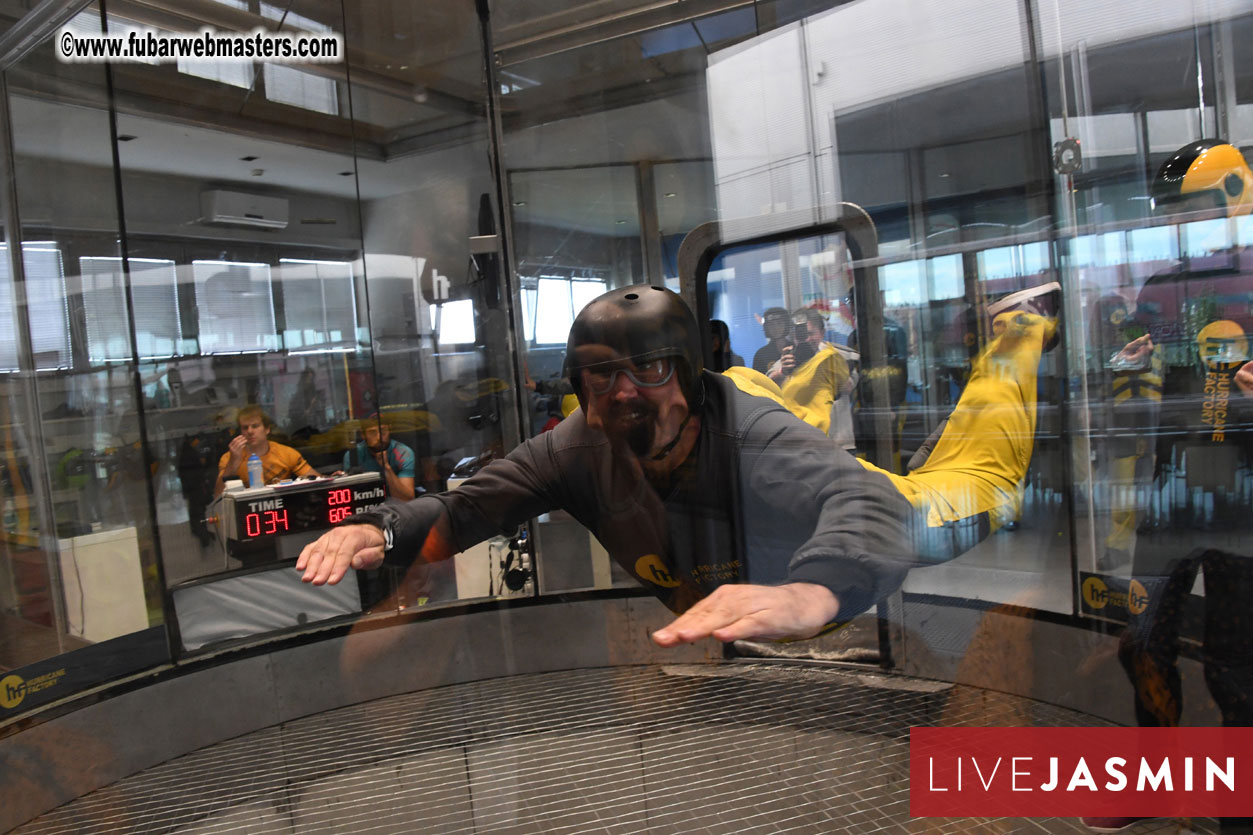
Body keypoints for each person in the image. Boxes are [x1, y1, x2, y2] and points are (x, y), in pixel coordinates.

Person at [296, 283, 1056, 646]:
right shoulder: (577, 446)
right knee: (775, 420)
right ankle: (805, 385)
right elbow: (470, 506)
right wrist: (381, 529)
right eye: (603, 377)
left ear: (689, 381)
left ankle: (1019, 328)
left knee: (989, 482)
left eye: (653, 370)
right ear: (580, 391)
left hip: (876, 502)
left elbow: (865, 507)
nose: (628, 396)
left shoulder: (752, 445)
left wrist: (813, 589)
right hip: (754, 430)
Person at [1082, 140, 1253, 835]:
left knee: (1234, 657)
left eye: (1188, 209)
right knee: (1143, 636)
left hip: (1244, 490)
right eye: (1171, 213)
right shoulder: (1161, 285)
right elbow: (1142, 378)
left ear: (1230, 196)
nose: (1179, 224)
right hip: (1175, 483)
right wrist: (1128, 364)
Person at [213, 405, 316, 496]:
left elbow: (316, 480)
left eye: (255, 426)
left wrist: (331, 477)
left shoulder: (286, 453)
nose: (250, 431)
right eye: (245, 428)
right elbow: (218, 495)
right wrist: (233, 463)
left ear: (267, 429)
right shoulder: (229, 458)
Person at [343, 413, 418, 501]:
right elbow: (350, 496)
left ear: (389, 430)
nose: (379, 437)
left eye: (383, 431)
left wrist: (386, 467)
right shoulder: (353, 455)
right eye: (372, 432)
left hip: (396, 505)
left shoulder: (403, 452)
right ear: (363, 435)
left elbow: (407, 498)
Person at [751, 307, 791, 378]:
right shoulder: (761, 354)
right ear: (766, 327)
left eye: (779, 323)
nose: (776, 328)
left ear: (786, 325)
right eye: (771, 324)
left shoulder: (796, 349)